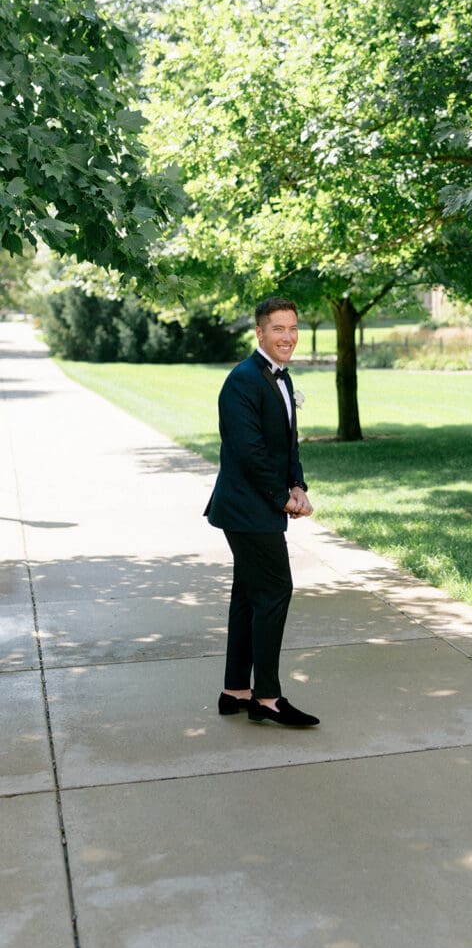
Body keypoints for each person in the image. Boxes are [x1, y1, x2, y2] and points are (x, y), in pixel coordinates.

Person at [204, 296, 319, 727]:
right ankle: (267, 698)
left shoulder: (282, 379)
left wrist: (298, 485)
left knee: (249, 596)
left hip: (261, 503)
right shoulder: (242, 381)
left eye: (292, 328)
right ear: (260, 333)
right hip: (244, 509)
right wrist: (281, 497)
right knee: (274, 591)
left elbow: (286, 443)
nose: (287, 337)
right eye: (278, 329)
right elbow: (249, 452)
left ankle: (236, 690)